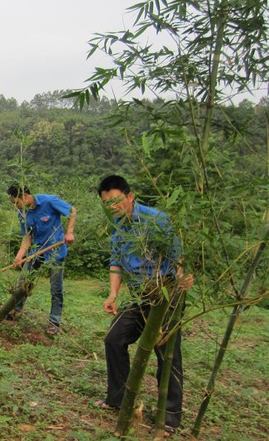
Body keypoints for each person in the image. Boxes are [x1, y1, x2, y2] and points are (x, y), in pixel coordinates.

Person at [95, 175, 194, 437]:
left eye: (116, 200)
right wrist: (113, 295)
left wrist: (183, 280)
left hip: (166, 296)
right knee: (114, 339)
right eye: (107, 203)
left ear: (130, 196)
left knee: (167, 353)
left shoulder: (156, 220)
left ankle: (169, 416)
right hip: (139, 297)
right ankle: (118, 398)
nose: (112, 206)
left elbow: (177, 256)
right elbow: (116, 263)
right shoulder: (117, 227)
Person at [7, 184, 76, 334]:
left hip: (55, 250)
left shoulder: (48, 201)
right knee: (23, 281)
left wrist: (70, 232)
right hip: (36, 251)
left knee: (56, 288)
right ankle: (15, 311)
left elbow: (72, 211)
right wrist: (19, 257)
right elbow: (27, 238)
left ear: (24, 196)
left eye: (16, 203)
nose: (16, 207)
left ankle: (54, 322)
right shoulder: (23, 214)